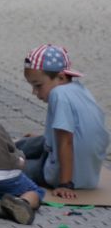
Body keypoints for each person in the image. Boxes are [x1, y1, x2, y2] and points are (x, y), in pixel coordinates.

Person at [17, 44, 109, 199]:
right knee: (31, 142)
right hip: (88, 177)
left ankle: (2, 156)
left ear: (60, 77)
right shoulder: (80, 89)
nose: (35, 92)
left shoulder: (58, 95)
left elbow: (66, 141)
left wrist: (65, 184)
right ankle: (10, 151)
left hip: (62, 174)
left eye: (38, 85)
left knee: (14, 167)